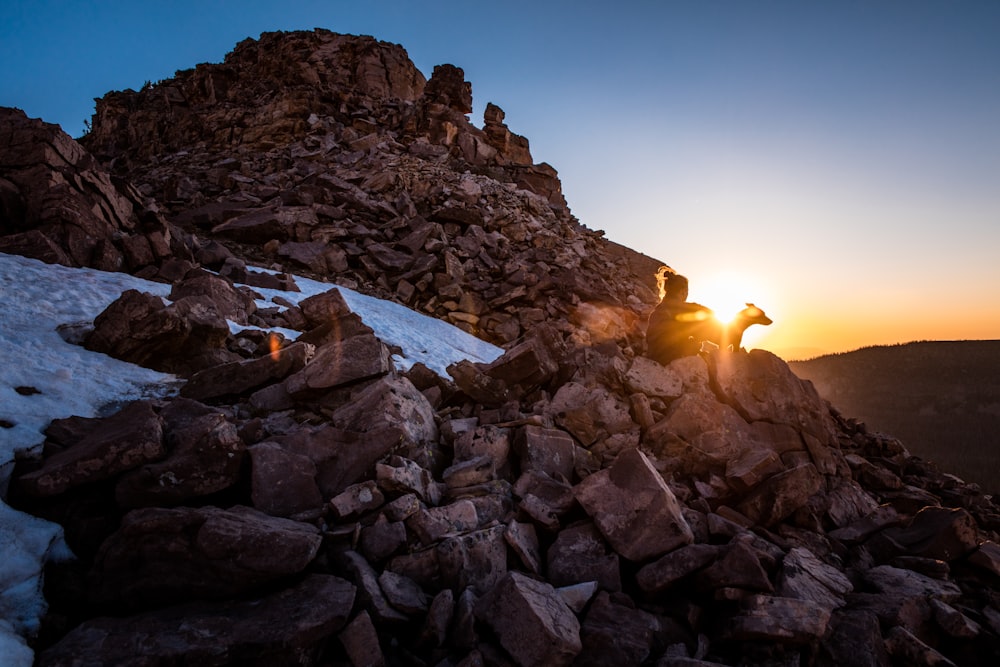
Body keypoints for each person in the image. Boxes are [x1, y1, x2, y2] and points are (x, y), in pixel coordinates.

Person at [644, 267, 714, 365]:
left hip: (653, 356)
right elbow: (709, 313)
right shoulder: (678, 307)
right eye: (687, 291)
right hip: (668, 358)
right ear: (682, 292)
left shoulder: (659, 309)